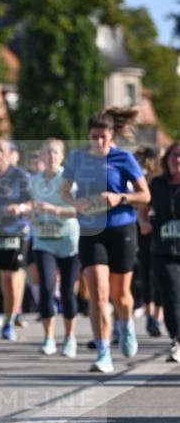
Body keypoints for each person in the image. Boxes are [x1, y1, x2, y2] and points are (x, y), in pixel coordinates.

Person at [61, 107, 150, 374]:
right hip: (90, 230)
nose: (99, 141)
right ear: (88, 136)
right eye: (94, 136)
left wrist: (119, 197)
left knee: (120, 295)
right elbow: (64, 190)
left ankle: (126, 326)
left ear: (112, 135)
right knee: (98, 294)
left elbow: (144, 196)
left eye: (103, 136)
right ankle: (103, 352)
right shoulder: (77, 158)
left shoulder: (124, 158)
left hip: (121, 228)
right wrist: (76, 202)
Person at [29, 138, 80, 356]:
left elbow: (78, 211)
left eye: (55, 153)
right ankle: (49, 337)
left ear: (62, 157)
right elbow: (31, 209)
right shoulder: (33, 181)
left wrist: (52, 209)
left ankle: (70, 338)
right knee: (47, 288)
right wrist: (33, 216)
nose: (51, 157)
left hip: (69, 242)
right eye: (47, 153)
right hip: (43, 241)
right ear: (41, 156)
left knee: (68, 292)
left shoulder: (70, 181)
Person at [0, 138, 32, 341]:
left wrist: (19, 208)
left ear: (11, 155)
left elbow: (32, 202)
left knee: (10, 281)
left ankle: (9, 321)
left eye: (1, 151)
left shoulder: (20, 176)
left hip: (14, 232)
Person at [144, 140, 180, 363]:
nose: (178, 160)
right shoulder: (157, 184)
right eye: (174, 155)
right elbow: (142, 205)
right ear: (166, 160)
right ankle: (177, 340)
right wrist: (143, 222)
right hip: (163, 249)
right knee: (172, 295)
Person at [134, 145, 163, 337]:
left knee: (159, 272)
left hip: (162, 229)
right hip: (145, 229)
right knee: (146, 270)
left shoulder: (164, 179)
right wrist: (143, 221)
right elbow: (140, 206)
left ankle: (156, 315)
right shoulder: (141, 178)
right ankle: (151, 314)